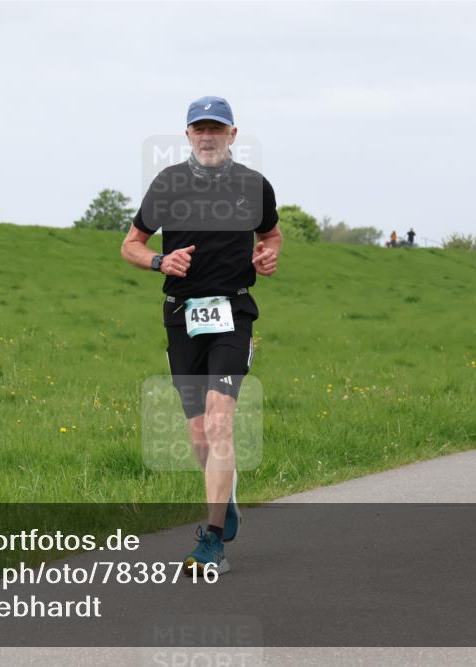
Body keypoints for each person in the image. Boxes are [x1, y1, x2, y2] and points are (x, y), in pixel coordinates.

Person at [121, 96, 281, 571]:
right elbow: (130, 244)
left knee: (218, 423)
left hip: (233, 312)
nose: (207, 136)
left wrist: (267, 255)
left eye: (217, 128)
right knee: (197, 433)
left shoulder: (254, 186)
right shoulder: (168, 184)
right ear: (188, 135)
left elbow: (270, 234)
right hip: (181, 315)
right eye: (198, 129)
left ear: (233, 135)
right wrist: (159, 261)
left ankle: (211, 539)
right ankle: (223, 495)